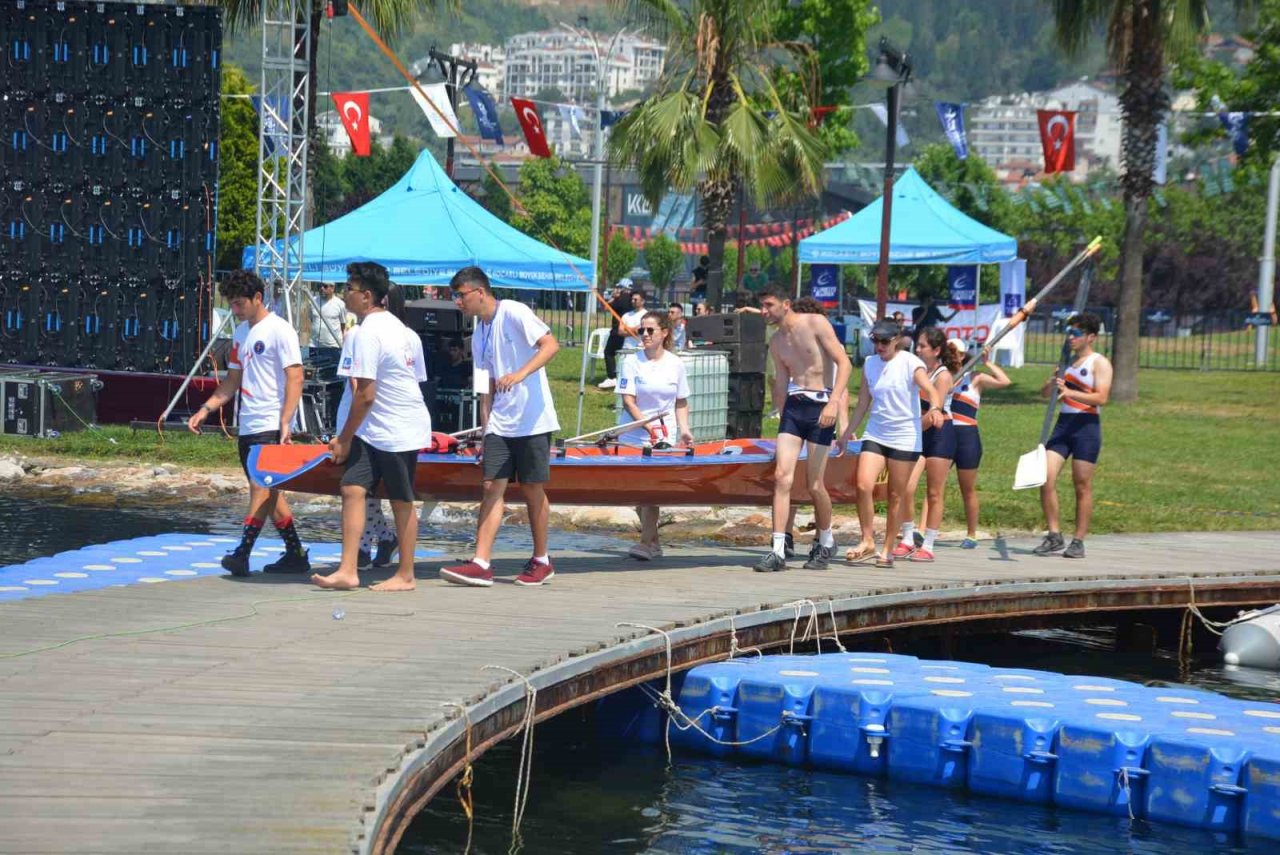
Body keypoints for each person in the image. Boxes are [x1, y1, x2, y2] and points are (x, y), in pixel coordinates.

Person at [441, 266, 561, 588]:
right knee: (491, 485)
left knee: (532, 488)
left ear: (480, 292)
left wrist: (520, 374)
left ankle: (542, 560)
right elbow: (486, 388)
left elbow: (551, 345)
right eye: (455, 297)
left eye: (461, 295)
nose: (458, 303)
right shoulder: (479, 331)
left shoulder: (514, 312)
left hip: (532, 417)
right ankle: (481, 562)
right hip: (500, 422)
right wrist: (485, 430)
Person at [313, 263, 430, 592]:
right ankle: (348, 569)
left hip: (397, 427)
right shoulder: (397, 329)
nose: (344, 293)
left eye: (349, 288)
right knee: (352, 489)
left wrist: (343, 438)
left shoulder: (369, 332)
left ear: (366, 296)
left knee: (401, 500)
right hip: (373, 426)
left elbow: (364, 394)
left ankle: (406, 574)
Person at [187, 269, 307, 577]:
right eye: (232, 304)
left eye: (240, 304)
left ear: (257, 298)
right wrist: (206, 408)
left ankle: (242, 553)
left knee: (260, 488)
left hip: (270, 422)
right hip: (248, 423)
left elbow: (296, 375)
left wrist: (286, 420)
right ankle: (295, 554)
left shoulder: (280, 330)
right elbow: (232, 380)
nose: (236, 310)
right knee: (271, 493)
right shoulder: (241, 333)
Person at [752, 285, 852, 573]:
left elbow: (844, 363)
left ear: (786, 304)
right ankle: (778, 550)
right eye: (762, 306)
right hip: (795, 409)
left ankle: (826, 540)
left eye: (769, 304)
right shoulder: (776, 342)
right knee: (782, 477)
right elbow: (782, 383)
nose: (764, 311)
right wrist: (784, 418)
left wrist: (834, 403)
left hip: (822, 405)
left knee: (814, 484)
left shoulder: (815, 323)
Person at [842, 319, 943, 568]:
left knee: (895, 495)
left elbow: (931, 391)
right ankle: (867, 540)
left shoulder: (911, 363)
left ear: (897, 340)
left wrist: (936, 409)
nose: (879, 346)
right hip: (876, 432)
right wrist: (847, 431)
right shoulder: (869, 364)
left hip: (904, 436)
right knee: (863, 485)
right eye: (874, 340)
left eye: (884, 341)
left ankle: (887, 549)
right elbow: (864, 401)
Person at [617, 310, 695, 560]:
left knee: (651, 489)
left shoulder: (675, 363)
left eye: (650, 330)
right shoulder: (632, 361)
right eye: (642, 330)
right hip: (634, 433)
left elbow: (680, 401)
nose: (645, 335)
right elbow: (628, 401)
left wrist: (684, 430)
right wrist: (646, 425)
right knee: (635, 493)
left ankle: (644, 542)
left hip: (664, 433)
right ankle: (655, 541)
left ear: (664, 333)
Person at [1034, 312, 1112, 559]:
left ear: (1091, 337)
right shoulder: (1067, 363)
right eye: (1069, 333)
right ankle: (1054, 535)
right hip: (1063, 425)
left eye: (1076, 334)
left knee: (1082, 485)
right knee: (1045, 478)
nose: (1071, 337)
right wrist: (1053, 382)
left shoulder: (1099, 363)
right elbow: (1045, 394)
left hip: (1086, 427)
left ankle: (1078, 540)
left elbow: (1101, 397)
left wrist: (1069, 392)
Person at [894, 328, 962, 563]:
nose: (918, 348)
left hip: (939, 435)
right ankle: (907, 538)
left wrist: (908, 431)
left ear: (936, 350)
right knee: (905, 487)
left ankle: (929, 543)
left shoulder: (942, 376)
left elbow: (936, 413)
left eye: (923, 346)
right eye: (918, 345)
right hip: (917, 432)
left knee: (934, 492)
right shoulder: (916, 369)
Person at [947, 339, 1010, 549]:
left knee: (967, 488)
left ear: (963, 355)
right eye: (949, 352)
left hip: (967, 436)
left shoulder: (976, 378)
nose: (952, 356)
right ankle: (922, 530)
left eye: (956, 353)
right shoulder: (942, 377)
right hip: (946, 432)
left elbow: (1004, 381)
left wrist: (987, 362)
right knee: (935, 486)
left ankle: (972, 533)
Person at [598, 280, 634, 390]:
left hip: (618, 331)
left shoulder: (621, 299)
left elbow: (605, 307)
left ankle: (612, 377)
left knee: (609, 352)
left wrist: (613, 297)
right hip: (630, 331)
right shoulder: (633, 299)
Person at [306, 281, 349, 368]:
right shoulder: (313, 301)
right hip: (315, 345)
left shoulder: (340, 304)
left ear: (332, 288)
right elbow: (311, 319)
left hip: (333, 347)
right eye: (320, 286)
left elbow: (343, 325)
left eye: (325, 286)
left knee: (332, 375)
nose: (322, 288)